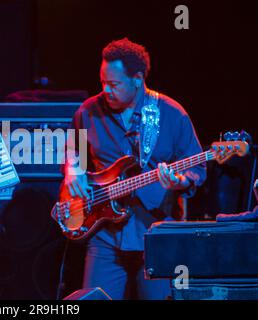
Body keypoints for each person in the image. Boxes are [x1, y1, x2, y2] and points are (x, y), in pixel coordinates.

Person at [61, 38, 206, 299]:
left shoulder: (172, 114)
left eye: (114, 84)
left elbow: (197, 166)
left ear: (137, 79)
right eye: (102, 82)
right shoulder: (88, 112)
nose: (105, 90)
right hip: (104, 236)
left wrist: (180, 182)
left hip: (155, 235)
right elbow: (75, 151)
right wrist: (73, 168)